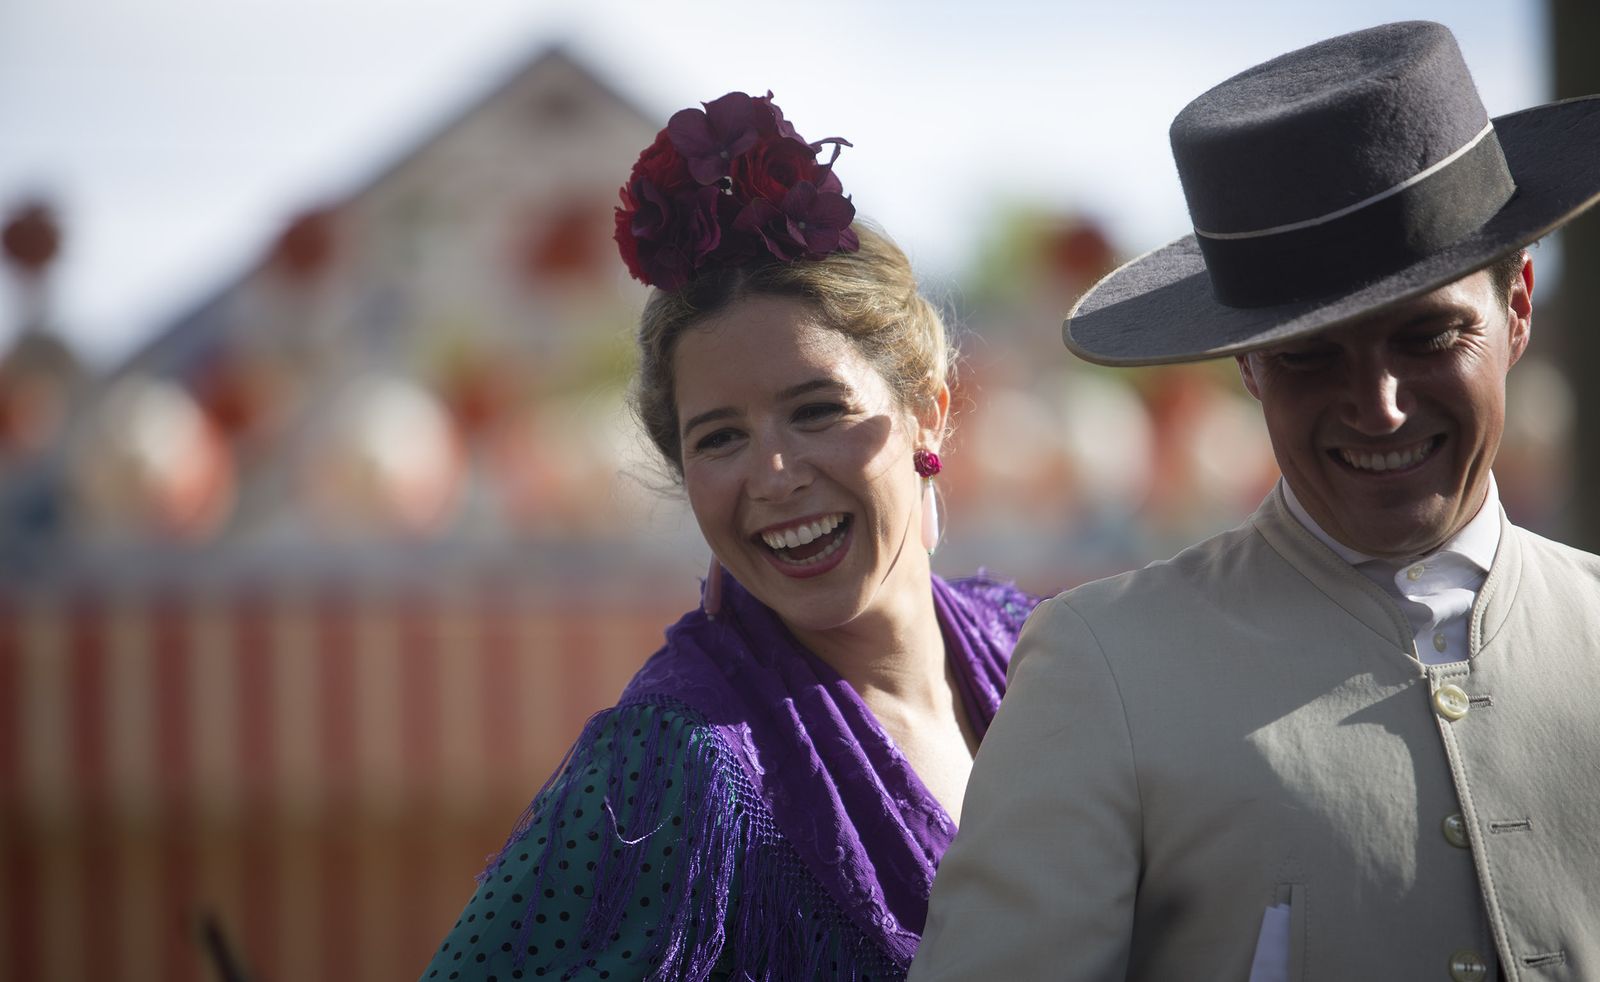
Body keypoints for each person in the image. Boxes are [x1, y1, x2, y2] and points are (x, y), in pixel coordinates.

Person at [911, 21, 1600, 982]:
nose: (1380, 404)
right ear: (1247, 368)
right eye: (1311, 356)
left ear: (1518, 304)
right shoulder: (1105, 669)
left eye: (1430, 338)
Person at [421, 91, 1035, 981]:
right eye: (720, 437)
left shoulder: (1032, 653)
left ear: (927, 414)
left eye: (817, 410)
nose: (774, 476)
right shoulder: (670, 763)